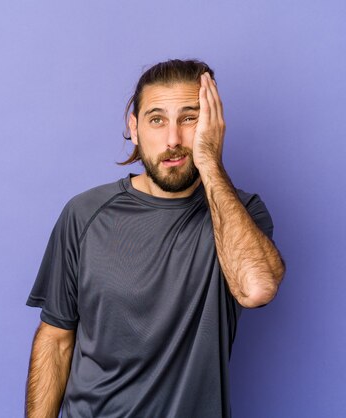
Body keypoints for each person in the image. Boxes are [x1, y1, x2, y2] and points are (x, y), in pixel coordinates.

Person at [25, 59, 286, 418]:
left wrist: (209, 161)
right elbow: (55, 339)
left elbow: (256, 289)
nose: (173, 139)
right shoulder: (84, 214)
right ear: (134, 127)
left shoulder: (242, 215)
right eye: (157, 119)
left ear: (214, 125)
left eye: (190, 118)